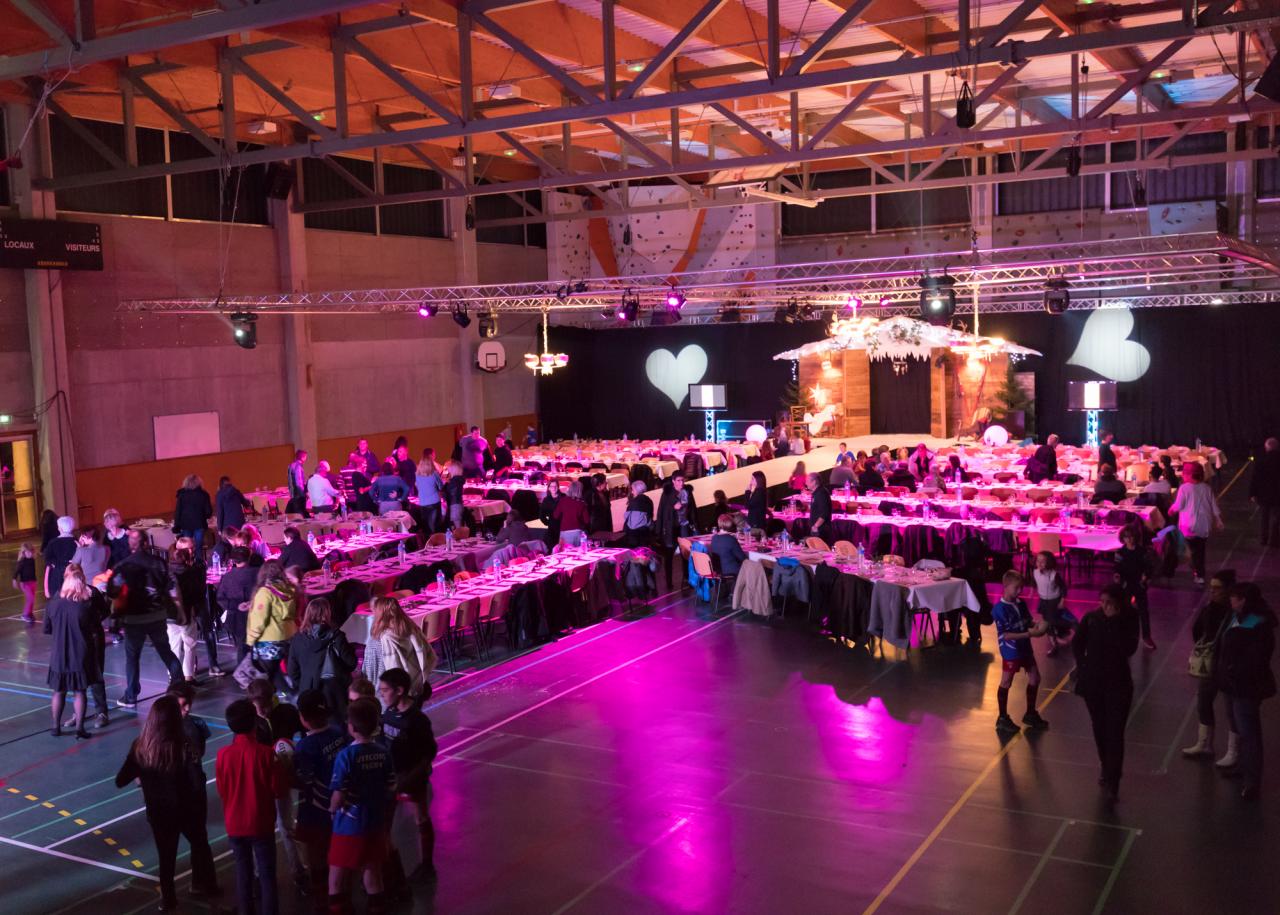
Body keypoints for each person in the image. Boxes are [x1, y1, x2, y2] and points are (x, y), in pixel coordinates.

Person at [118, 695, 218, 910]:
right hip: (186, 810)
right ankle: (206, 885)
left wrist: (142, 776)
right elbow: (196, 782)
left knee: (166, 857)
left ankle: (168, 899)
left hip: (158, 812)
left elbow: (120, 780)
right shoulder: (183, 746)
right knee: (200, 845)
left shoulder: (141, 747)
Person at [217, 698, 286, 915]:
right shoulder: (266, 754)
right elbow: (278, 790)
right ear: (255, 723)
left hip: (235, 823)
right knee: (266, 876)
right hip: (260, 822)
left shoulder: (223, 755)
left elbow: (222, 790)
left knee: (242, 872)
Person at [1072, 583, 1140, 802]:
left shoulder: (1128, 620)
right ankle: (1105, 766)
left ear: (1118, 603)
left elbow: (1128, 648)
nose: (1104, 606)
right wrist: (1083, 666)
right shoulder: (1092, 619)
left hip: (1118, 684)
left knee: (1115, 732)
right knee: (1099, 729)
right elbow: (1077, 643)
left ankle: (1114, 780)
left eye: (1108, 603)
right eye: (1101, 602)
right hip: (1094, 684)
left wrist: (1114, 622)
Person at [329, 698, 396, 912]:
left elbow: (339, 795)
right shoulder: (383, 752)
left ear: (351, 727)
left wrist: (332, 808)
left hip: (349, 826)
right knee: (373, 875)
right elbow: (391, 786)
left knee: (336, 881)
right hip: (375, 822)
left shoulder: (346, 756)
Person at [108, 530, 185, 710]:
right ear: (145, 543)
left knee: (132, 657)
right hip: (157, 616)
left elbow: (113, 592)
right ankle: (180, 686)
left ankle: (131, 695)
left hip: (133, 620)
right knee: (166, 651)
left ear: (131, 545)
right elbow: (173, 587)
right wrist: (180, 610)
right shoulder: (159, 563)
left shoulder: (122, 566)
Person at [1215, 582, 1276, 799]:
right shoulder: (1235, 617)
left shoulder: (1258, 624)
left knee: (1250, 732)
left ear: (1244, 600)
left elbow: (1257, 658)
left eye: (1234, 597)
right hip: (1231, 684)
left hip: (1246, 687)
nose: (1230, 600)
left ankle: (1252, 781)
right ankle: (1242, 767)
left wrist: (1234, 670)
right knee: (1239, 727)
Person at [378, 669, 439, 887]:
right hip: (392, 777)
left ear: (400, 690)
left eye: (385, 690)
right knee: (385, 825)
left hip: (412, 778)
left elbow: (428, 754)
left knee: (420, 818)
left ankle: (427, 865)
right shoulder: (388, 713)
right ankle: (392, 871)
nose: (381, 694)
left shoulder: (417, 720)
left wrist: (408, 778)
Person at [293, 691, 350, 900]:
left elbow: (304, 780)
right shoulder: (337, 733)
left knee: (316, 854)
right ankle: (342, 893)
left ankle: (321, 897)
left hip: (317, 809)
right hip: (342, 804)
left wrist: (285, 768)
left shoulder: (306, 747)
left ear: (303, 718)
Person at [1182, 569, 1238, 760]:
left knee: (1232, 709)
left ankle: (1233, 751)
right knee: (1204, 702)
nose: (1212, 592)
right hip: (1212, 664)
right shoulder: (1209, 608)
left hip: (1230, 665)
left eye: (1217, 588)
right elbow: (1198, 629)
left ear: (1229, 589)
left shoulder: (1235, 611)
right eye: (1211, 588)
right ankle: (1205, 743)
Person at [45, 565, 105, 738]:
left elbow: (48, 628)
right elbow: (95, 625)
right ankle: (80, 728)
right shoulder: (85, 606)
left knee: (58, 691)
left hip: (58, 653)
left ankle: (55, 727)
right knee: (80, 691)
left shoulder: (53, 603)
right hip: (80, 652)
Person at [992, 570, 1050, 734]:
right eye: (1016, 588)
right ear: (1006, 586)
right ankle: (1002, 718)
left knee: (1035, 677)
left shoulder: (1021, 604)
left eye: (1021, 588)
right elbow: (1006, 635)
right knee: (1006, 682)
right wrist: (1030, 633)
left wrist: (1038, 624)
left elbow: (1027, 621)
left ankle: (1030, 713)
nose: (1020, 591)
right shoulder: (999, 610)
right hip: (1011, 650)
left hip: (1024, 646)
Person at [288, 598, 358, 716]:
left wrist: (304, 683)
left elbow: (292, 670)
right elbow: (351, 662)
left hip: (308, 691)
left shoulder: (297, 639)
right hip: (334, 693)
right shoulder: (337, 636)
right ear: (328, 613)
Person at [360, 596, 436, 697]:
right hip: (416, 684)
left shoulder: (379, 641)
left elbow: (371, 670)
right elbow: (428, 654)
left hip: (394, 692)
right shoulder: (412, 628)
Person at [246, 560, 298, 697]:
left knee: (268, 674)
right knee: (275, 672)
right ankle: (290, 693)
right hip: (288, 636)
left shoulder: (265, 592)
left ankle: (271, 699)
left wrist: (250, 640)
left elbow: (259, 621)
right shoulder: (290, 589)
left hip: (268, 640)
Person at [1169, 460, 1222, 585]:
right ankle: (1197, 570)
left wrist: (1171, 510)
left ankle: (1198, 572)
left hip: (1189, 525)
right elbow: (1214, 505)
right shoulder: (1207, 488)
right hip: (1204, 525)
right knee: (1200, 549)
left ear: (1190, 475)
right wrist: (1218, 520)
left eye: (1184, 473)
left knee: (1193, 550)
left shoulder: (1184, 488)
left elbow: (1178, 505)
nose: (1182, 475)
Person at [166, 541, 204, 683]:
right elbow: (197, 594)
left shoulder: (166, 573)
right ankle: (189, 675)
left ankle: (173, 675)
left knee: (173, 644)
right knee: (190, 644)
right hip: (187, 612)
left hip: (169, 615)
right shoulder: (190, 573)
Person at [1113, 527, 1155, 650]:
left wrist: (1145, 576)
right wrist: (1117, 576)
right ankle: (1122, 635)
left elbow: (1149, 567)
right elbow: (1117, 568)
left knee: (1143, 611)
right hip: (1126, 584)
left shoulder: (1142, 552)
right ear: (1123, 538)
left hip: (1139, 584)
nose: (1129, 539)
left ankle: (1146, 637)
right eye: (1127, 537)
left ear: (1135, 537)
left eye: (1131, 537)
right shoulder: (1120, 553)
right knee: (1123, 611)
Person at [655, 473, 698, 590]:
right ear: (673, 481)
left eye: (683, 480)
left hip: (684, 527)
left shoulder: (687, 493)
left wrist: (695, 525)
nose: (681, 483)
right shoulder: (667, 493)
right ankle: (669, 581)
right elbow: (661, 511)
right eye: (678, 481)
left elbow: (693, 510)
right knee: (668, 556)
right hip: (670, 528)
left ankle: (686, 579)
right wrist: (658, 531)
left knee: (686, 554)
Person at [216, 547, 257, 665]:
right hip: (257, 614)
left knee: (242, 648)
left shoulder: (227, 577)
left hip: (236, 618)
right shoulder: (258, 572)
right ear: (249, 557)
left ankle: (244, 678)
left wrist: (236, 606)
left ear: (233, 560)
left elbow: (220, 598)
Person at [1032, 551, 1073, 656]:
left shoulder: (1054, 575)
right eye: (1038, 561)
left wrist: (1062, 600)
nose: (1039, 563)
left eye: (1043, 562)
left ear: (1049, 562)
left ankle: (1065, 631)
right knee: (1048, 622)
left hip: (1053, 601)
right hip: (1043, 601)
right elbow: (1034, 582)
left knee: (1052, 621)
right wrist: (1032, 592)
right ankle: (1054, 643)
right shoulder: (1035, 572)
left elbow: (1063, 587)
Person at [171, 474, 213, 558]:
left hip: (186, 524)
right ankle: (199, 564)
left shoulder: (182, 495)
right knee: (198, 546)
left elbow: (178, 512)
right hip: (199, 523)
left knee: (186, 546)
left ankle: (186, 561)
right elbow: (208, 511)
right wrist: (205, 516)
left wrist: (176, 525)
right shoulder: (203, 494)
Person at [1250, 436, 1280, 545]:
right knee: (1276, 518)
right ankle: (1275, 540)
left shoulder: (1261, 460)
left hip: (1263, 494)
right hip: (1277, 493)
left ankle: (1264, 538)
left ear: (1266, 448)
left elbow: (1255, 478)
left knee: (1264, 517)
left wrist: (1252, 493)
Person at [43, 515, 78, 600]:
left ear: (61, 529)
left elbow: (47, 558)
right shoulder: (76, 541)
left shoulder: (53, 542)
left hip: (58, 574)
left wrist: (55, 564)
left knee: (59, 596)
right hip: (74, 573)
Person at [552, 481, 592, 547]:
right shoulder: (581, 503)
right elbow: (587, 520)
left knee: (565, 554)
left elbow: (555, 516)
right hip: (578, 532)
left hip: (565, 532)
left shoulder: (563, 501)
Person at [415, 450, 445, 534]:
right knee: (436, 526)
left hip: (422, 503)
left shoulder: (417, 475)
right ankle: (438, 543)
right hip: (434, 501)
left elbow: (417, 486)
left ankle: (428, 543)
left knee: (426, 526)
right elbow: (441, 486)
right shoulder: (434, 474)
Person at [621, 480, 654, 548]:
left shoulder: (636, 502)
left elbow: (633, 524)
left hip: (635, 536)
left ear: (637, 490)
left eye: (633, 489)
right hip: (646, 532)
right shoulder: (648, 500)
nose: (632, 492)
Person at [13, 541, 37, 624]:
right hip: (25, 583)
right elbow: (16, 571)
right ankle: (25, 614)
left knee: (32, 599)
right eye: (28, 552)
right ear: (24, 552)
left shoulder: (32, 560)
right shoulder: (22, 562)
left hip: (33, 582)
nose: (30, 554)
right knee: (30, 598)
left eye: (31, 552)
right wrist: (14, 580)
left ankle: (30, 613)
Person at [807, 473, 832, 544]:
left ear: (814, 482)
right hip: (818, 529)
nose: (806, 483)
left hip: (821, 530)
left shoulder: (821, 493)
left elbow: (824, 513)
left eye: (807, 481)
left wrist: (815, 526)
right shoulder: (816, 492)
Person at [442, 461, 467, 531]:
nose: (448, 471)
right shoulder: (459, 480)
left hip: (454, 505)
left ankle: (460, 540)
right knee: (457, 525)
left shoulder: (454, 481)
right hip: (458, 504)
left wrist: (444, 485)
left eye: (449, 469)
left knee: (458, 527)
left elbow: (448, 492)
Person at [286, 449, 309, 516]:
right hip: (298, 494)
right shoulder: (298, 466)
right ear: (303, 457)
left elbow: (290, 481)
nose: (306, 459)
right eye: (305, 457)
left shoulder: (291, 465)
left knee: (296, 513)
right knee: (300, 513)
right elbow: (299, 481)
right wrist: (303, 494)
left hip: (293, 493)